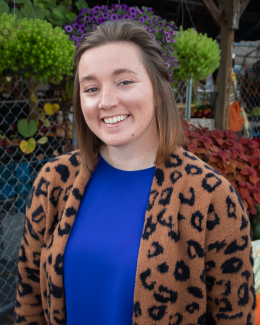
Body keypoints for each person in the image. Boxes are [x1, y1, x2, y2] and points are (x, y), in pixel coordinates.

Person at [14, 20, 255, 325]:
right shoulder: (55, 181)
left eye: (124, 81)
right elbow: (29, 299)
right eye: (91, 88)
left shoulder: (211, 196)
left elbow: (234, 316)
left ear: (158, 88)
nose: (106, 101)